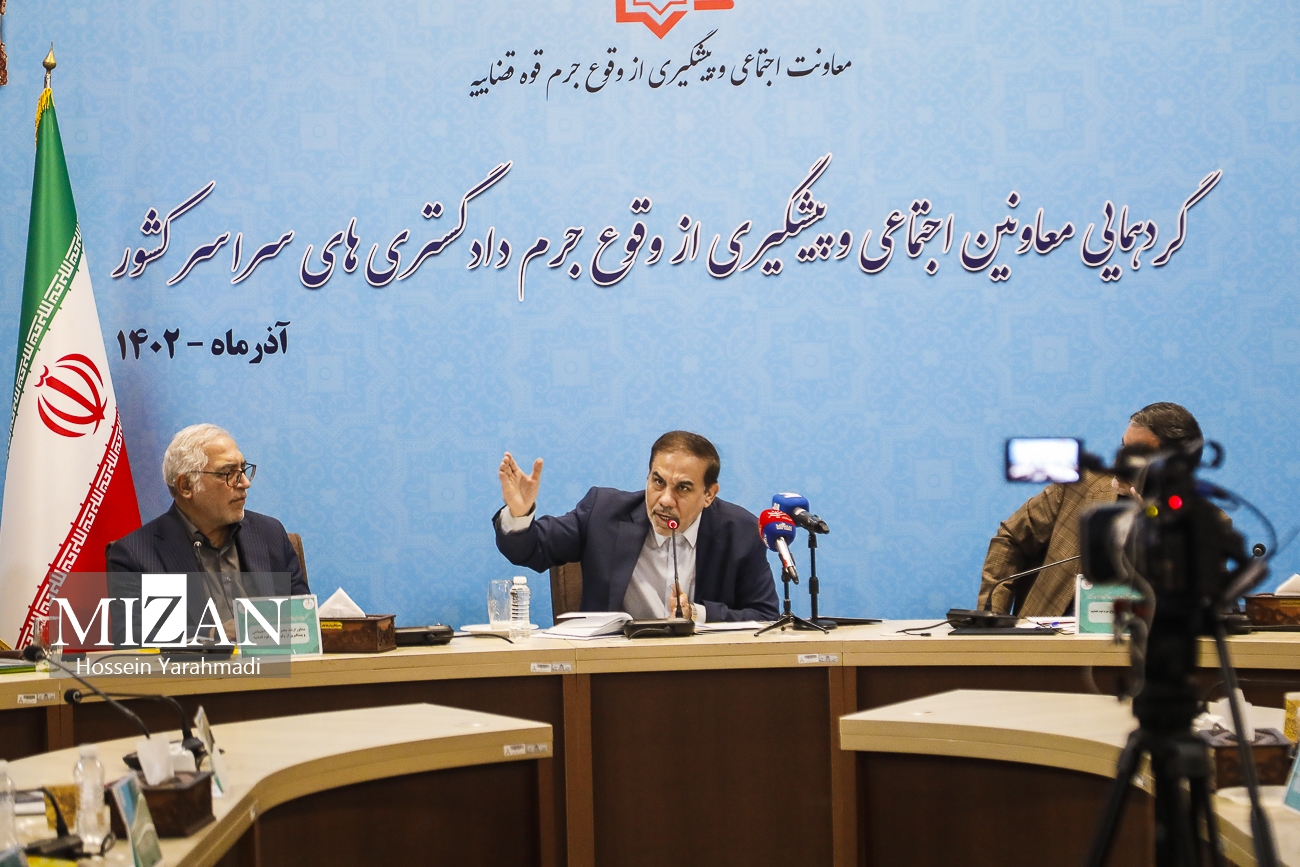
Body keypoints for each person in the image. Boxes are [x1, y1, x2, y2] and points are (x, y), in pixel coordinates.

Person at [494, 431, 780, 622]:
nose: (665, 499)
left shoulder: (740, 531)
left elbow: (766, 616)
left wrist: (698, 614)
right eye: (658, 482)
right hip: (615, 670)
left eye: (682, 488)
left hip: (703, 674)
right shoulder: (603, 512)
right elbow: (531, 549)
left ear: (709, 494)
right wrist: (520, 513)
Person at [977, 402, 1203, 617]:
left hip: (1146, 635)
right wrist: (993, 617)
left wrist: (1149, 508)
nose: (1120, 461)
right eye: (1124, 447)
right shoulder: (1079, 487)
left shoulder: (1203, 522)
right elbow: (1011, 538)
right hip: (1054, 633)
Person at [107, 423, 308, 643]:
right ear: (186, 486)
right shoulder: (136, 554)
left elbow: (303, 623)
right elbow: (134, 637)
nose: (245, 483)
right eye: (228, 473)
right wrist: (215, 634)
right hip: (198, 666)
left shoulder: (270, 534)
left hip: (275, 665)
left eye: (243, 470)